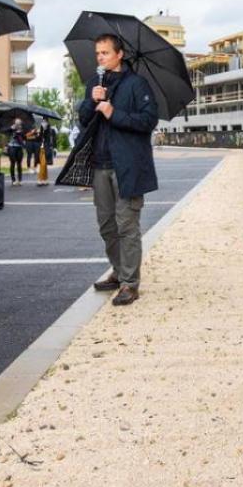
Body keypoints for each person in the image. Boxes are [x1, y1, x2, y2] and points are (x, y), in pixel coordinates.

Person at [80, 34, 159, 306]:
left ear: (119, 54)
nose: (100, 57)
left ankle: (129, 283)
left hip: (128, 166)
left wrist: (114, 113)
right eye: (97, 53)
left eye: (105, 53)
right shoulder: (95, 83)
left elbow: (149, 120)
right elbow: (82, 119)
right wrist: (92, 101)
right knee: (107, 226)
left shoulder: (137, 84)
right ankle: (118, 270)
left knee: (127, 225)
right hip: (100, 165)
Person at [6, 117, 26, 186]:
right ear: (14, 123)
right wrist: (11, 128)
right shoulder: (12, 128)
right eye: (16, 123)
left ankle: (20, 180)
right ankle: (13, 179)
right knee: (12, 163)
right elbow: (6, 132)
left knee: (19, 164)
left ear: (20, 123)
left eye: (19, 123)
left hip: (19, 148)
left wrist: (20, 133)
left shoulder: (22, 130)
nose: (17, 124)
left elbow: (25, 137)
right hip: (12, 147)